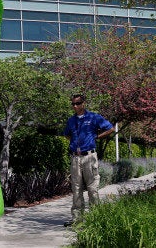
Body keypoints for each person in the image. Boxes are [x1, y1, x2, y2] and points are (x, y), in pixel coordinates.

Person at [63, 94, 114, 226]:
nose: (75, 106)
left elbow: (110, 128)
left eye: (78, 103)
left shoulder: (93, 117)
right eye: (73, 104)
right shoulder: (71, 120)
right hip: (75, 158)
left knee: (92, 188)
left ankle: (96, 218)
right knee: (76, 188)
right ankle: (77, 219)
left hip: (89, 157)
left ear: (83, 103)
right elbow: (67, 134)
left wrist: (96, 137)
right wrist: (75, 143)